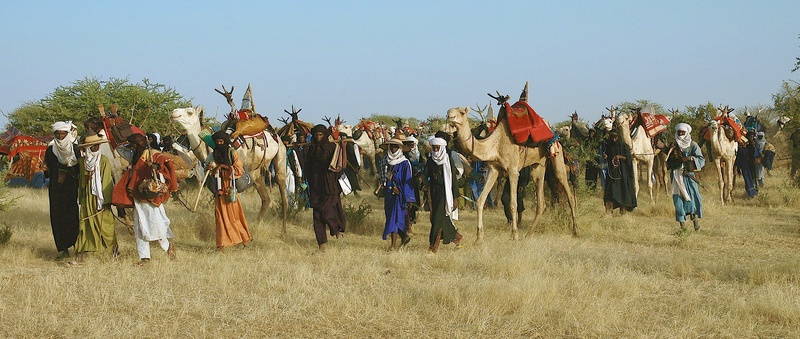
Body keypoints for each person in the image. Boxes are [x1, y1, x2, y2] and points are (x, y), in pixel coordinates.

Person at [125, 133, 179, 265]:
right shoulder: (135, 155)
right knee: (140, 226)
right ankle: (144, 258)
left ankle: (168, 248)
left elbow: (166, 164)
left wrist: (156, 167)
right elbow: (120, 150)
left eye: (133, 145)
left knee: (156, 225)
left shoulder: (153, 153)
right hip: (139, 195)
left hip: (151, 196)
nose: (131, 148)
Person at [304, 124, 346, 251]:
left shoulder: (333, 148)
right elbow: (307, 166)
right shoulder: (311, 149)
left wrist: (343, 147)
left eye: (321, 135)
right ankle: (321, 243)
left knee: (328, 213)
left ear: (325, 135)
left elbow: (340, 166)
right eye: (316, 135)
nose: (318, 137)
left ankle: (337, 232)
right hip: (316, 186)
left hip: (329, 186)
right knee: (317, 216)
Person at [208, 131, 252, 251]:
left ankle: (244, 239)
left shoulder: (232, 153)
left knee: (234, 215)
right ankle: (222, 244)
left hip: (230, 188)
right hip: (219, 188)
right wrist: (210, 168)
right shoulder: (214, 154)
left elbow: (239, 169)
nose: (219, 144)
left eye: (221, 142)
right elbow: (210, 170)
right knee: (220, 216)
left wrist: (223, 167)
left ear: (225, 142)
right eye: (217, 142)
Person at [75, 135, 117, 260]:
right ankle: (88, 249)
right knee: (86, 223)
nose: (95, 148)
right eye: (92, 146)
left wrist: (106, 200)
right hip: (88, 197)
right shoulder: (83, 162)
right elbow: (81, 180)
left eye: (97, 145)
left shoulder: (103, 160)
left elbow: (107, 181)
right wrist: (81, 197)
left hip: (101, 198)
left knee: (105, 224)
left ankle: (111, 250)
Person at [44, 121, 81, 260]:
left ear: (68, 133)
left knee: (71, 215)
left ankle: (76, 244)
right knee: (57, 216)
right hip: (56, 188)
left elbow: (80, 169)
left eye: (63, 133)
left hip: (71, 188)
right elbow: (48, 172)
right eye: (58, 134)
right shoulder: (50, 150)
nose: (60, 136)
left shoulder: (75, 149)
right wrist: (46, 170)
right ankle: (62, 248)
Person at [426, 137, 463, 253]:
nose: (436, 150)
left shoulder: (448, 160)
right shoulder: (430, 161)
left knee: (437, 219)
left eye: (437, 148)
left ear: (442, 148)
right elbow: (426, 175)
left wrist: (455, 198)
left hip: (445, 194)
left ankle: (433, 246)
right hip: (434, 193)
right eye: (434, 148)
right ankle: (456, 236)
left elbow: (453, 181)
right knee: (441, 218)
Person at [666, 123, 705, 231]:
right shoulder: (673, 145)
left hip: (688, 176)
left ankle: (695, 222)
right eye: (679, 132)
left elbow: (701, 160)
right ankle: (683, 227)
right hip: (676, 176)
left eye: (683, 132)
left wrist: (689, 159)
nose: (681, 134)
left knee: (692, 198)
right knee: (678, 201)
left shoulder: (693, 145)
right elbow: (668, 161)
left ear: (687, 133)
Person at [380, 138, 416, 251]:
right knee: (390, 216)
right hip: (389, 194)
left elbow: (408, 181)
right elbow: (384, 177)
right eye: (391, 147)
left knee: (394, 219)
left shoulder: (405, 163)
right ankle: (404, 237)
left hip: (399, 195)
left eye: (396, 147)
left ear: (400, 149)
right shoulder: (386, 161)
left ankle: (393, 245)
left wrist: (408, 198)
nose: (393, 149)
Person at [603, 130, 637, 214]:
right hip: (612, 173)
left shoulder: (624, 146)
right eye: (612, 137)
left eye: (615, 137)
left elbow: (628, 158)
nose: (614, 139)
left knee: (623, 191)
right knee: (609, 192)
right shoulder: (609, 146)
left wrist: (620, 157)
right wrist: (606, 156)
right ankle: (608, 211)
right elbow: (607, 155)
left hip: (622, 173)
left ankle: (623, 210)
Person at [735, 131, 758, 198]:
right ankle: (751, 193)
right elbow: (738, 157)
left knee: (753, 178)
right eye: (750, 136)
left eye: (753, 136)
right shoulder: (741, 148)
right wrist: (738, 167)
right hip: (744, 165)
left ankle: (754, 192)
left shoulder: (752, 146)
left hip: (751, 165)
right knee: (747, 179)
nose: (752, 138)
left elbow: (754, 155)